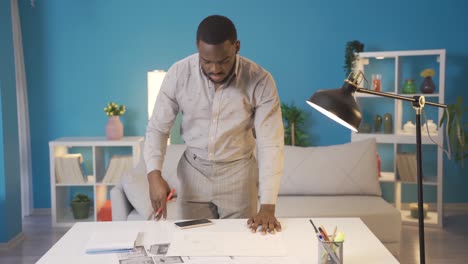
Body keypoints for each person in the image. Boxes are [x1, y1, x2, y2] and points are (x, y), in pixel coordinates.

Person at [144, 15, 284, 234]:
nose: (215, 69)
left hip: (238, 172)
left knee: (238, 246)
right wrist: (154, 175)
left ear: (237, 47)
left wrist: (267, 206)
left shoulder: (260, 80)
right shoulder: (179, 73)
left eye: (223, 61)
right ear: (197, 48)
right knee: (194, 244)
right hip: (193, 172)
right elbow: (158, 128)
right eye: (207, 61)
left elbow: (271, 144)